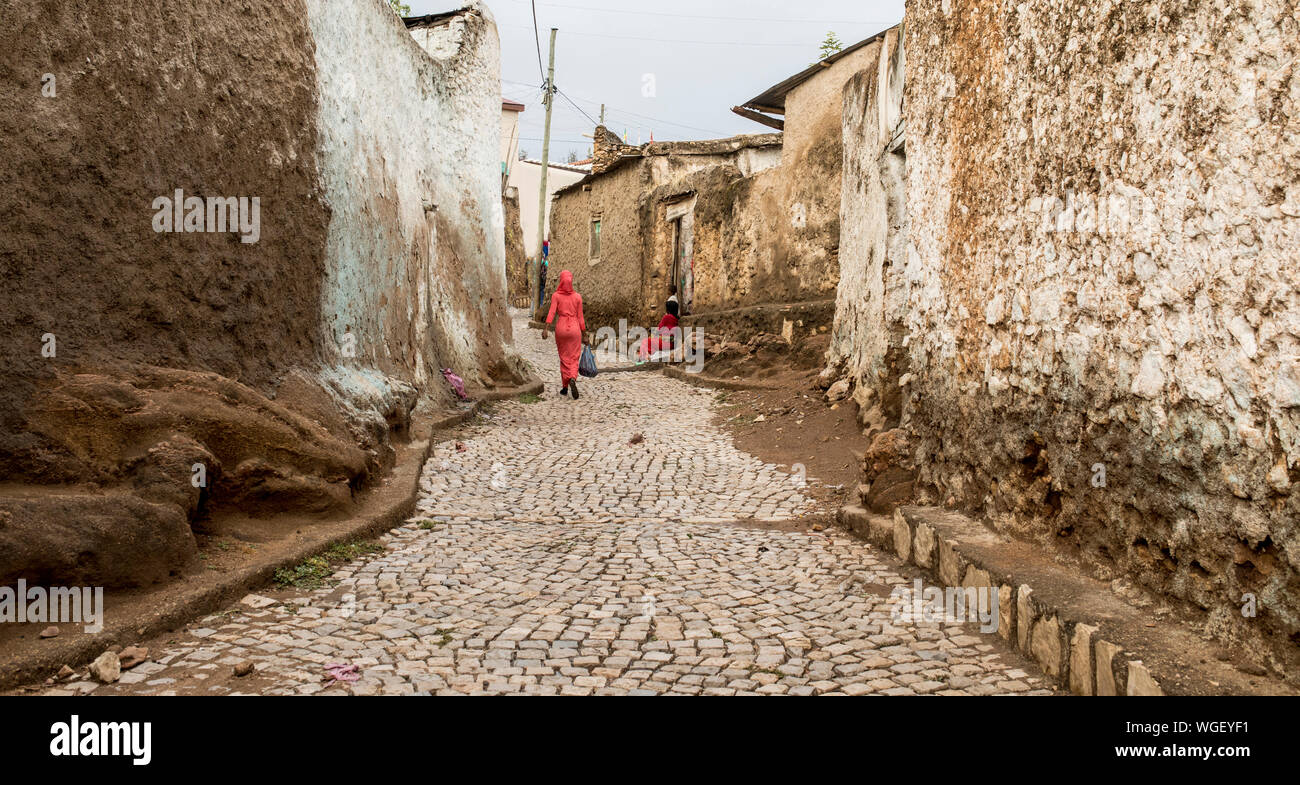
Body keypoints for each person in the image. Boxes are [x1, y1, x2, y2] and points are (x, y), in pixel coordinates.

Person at [541, 270, 587, 399]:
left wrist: (546, 328)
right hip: (574, 329)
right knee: (574, 357)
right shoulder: (577, 297)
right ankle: (572, 377)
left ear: (561, 281)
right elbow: (581, 318)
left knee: (564, 356)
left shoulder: (556, 296)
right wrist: (585, 334)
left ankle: (565, 387)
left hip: (561, 328)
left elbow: (551, 313)